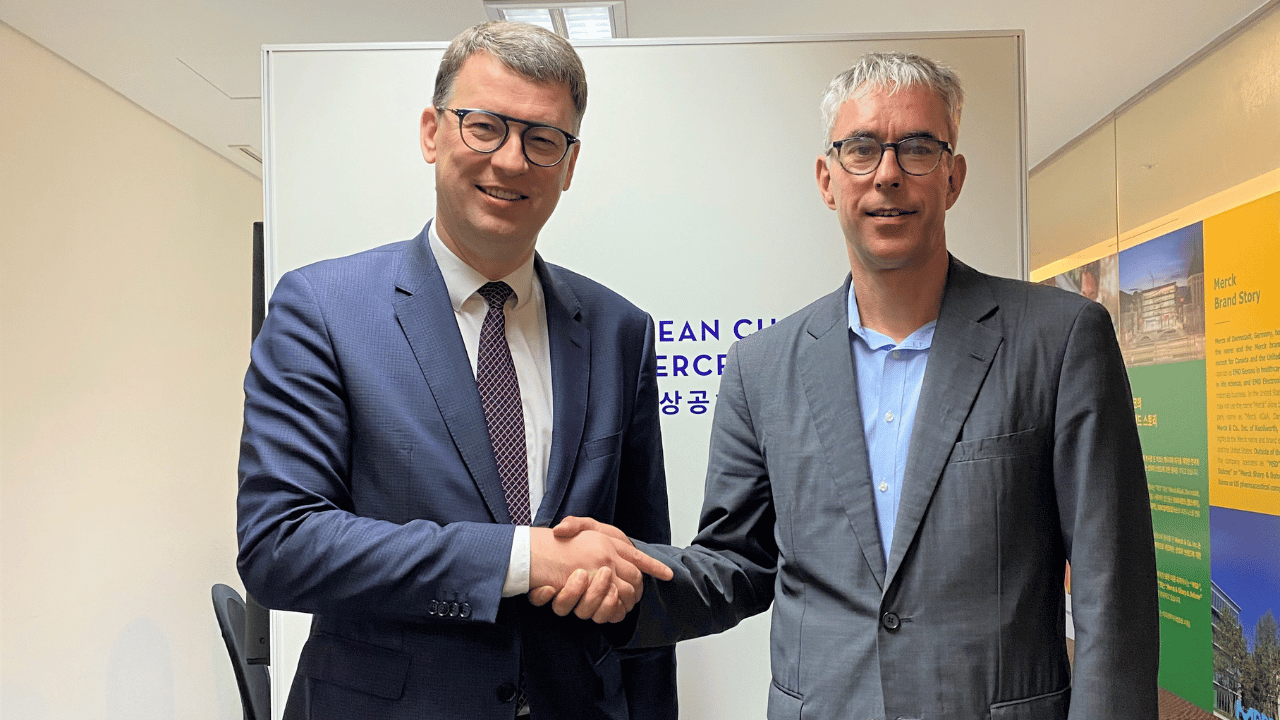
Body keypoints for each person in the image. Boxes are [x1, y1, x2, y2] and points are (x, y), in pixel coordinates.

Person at [538, 52, 1159, 720]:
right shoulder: (760, 368)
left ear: (953, 177)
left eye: (917, 148)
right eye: (861, 149)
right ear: (827, 179)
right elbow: (737, 564)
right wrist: (625, 577)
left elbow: (1111, 583)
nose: (887, 174)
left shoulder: (1060, 339)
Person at [237, 21, 676, 720]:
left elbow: (641, 569)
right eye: (484, 127)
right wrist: (522, 558)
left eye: (542, 139)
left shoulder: (618, 329)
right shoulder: (322, 308)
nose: (511, 160)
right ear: (432, 132)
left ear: (569, 164)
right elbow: (281, 546)